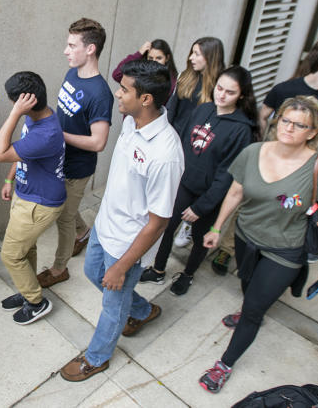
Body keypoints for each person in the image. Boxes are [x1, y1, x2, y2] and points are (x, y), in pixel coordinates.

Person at [197, 96, 318, 393]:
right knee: (246, 282)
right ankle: (249, 308)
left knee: (255, 309)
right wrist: (218, 227)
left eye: (300, 125)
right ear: (277, 120)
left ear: (312, 132)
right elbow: (235, 192)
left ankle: (224, 365)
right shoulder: (253, 152)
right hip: (246, 236)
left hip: (285, 249)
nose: (290, 128)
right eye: (286, 120)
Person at [59, 59, 183, 382]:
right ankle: (142, 310)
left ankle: (97, 357)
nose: (117, 93)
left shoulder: (166, 155)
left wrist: (122, 266)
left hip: (127, 241)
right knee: (91, 272)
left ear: (146, 99)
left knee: (112, 307)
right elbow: (121, 76)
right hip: (105, 224)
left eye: (124, 89)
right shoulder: (132, 119)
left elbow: (158, 222)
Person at [140, 66, 258, 295]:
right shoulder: (203, 109)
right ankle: (158, 269)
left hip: (208, 195)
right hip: (183, 184)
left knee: (200, 239)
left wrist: (201, 206)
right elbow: (182, 143)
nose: (221, 95)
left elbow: (227, 175)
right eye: (220, 88)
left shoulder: (241, 130)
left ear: (241, 95)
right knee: (165, 226)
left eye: (230, 92)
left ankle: (187, 275)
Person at [32, 18, 114, 289]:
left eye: (71, 45)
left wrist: (59, 135)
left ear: (90, 49)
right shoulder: (72, 74)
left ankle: (59, 269)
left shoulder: (101, 94)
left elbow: (98, 142)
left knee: (63, 217)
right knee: (68, 210)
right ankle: (83, 232)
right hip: (57, 160)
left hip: (76, 169)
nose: (66, 51)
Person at [0, 71, 66, 325]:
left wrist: (14, 114)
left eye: (14, 102)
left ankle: (36, 302)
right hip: (26, 194)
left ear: (26, 102)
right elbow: (22, 152)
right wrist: (10, 179)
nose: (12, 106)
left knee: (11, 255)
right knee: (26, 248)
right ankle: (27, 289)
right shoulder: (39, 117)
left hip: (39, 203)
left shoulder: (46, 133)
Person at [166, 37, 226, 137]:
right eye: (192, 53)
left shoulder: (220, 87)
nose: (191, 58)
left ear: (210, 57)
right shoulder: (185, 77)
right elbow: (171, 109)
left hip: (196, 140)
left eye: (196, 54)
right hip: (173, 135)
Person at [112, 39, 178, 95]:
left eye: (159, 58)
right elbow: (117, 75)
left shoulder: (172, 82)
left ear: (167, 58)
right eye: (151, 58)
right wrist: (139, 53)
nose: (154, 62)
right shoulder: (142, 75)